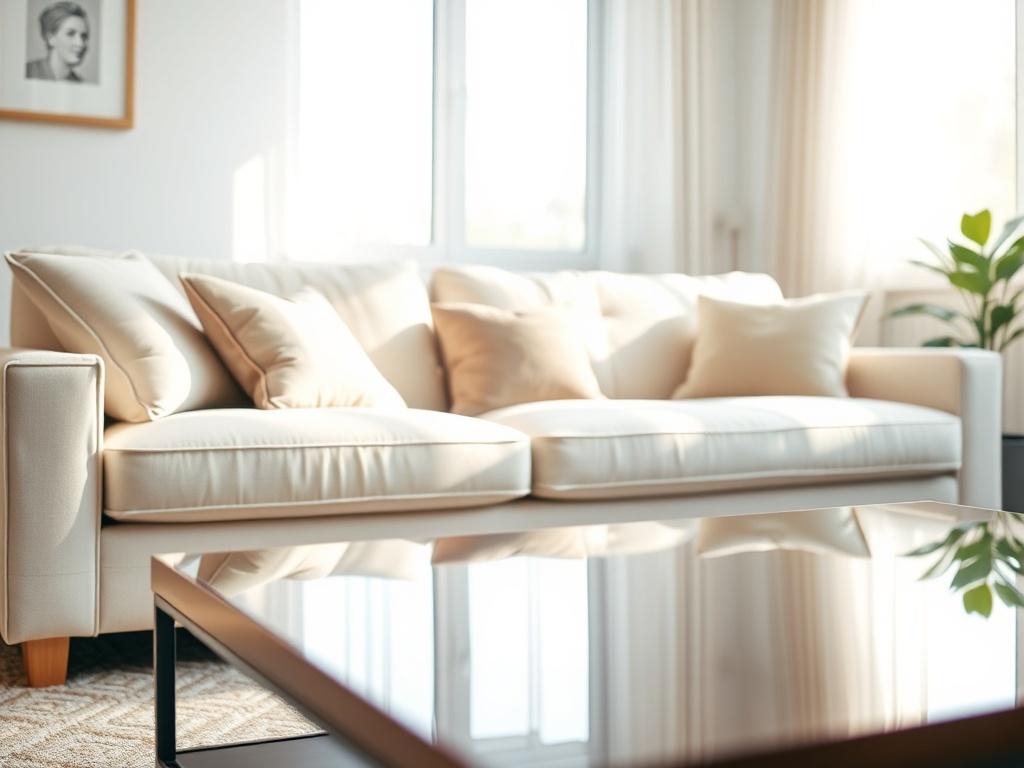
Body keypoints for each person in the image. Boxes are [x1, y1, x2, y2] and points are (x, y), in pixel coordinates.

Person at [25, 2, 89, 83]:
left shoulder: (79, 83)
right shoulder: (28, 72)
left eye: (84, 36)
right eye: (70, 34)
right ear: (50, 38)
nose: (80, 44)